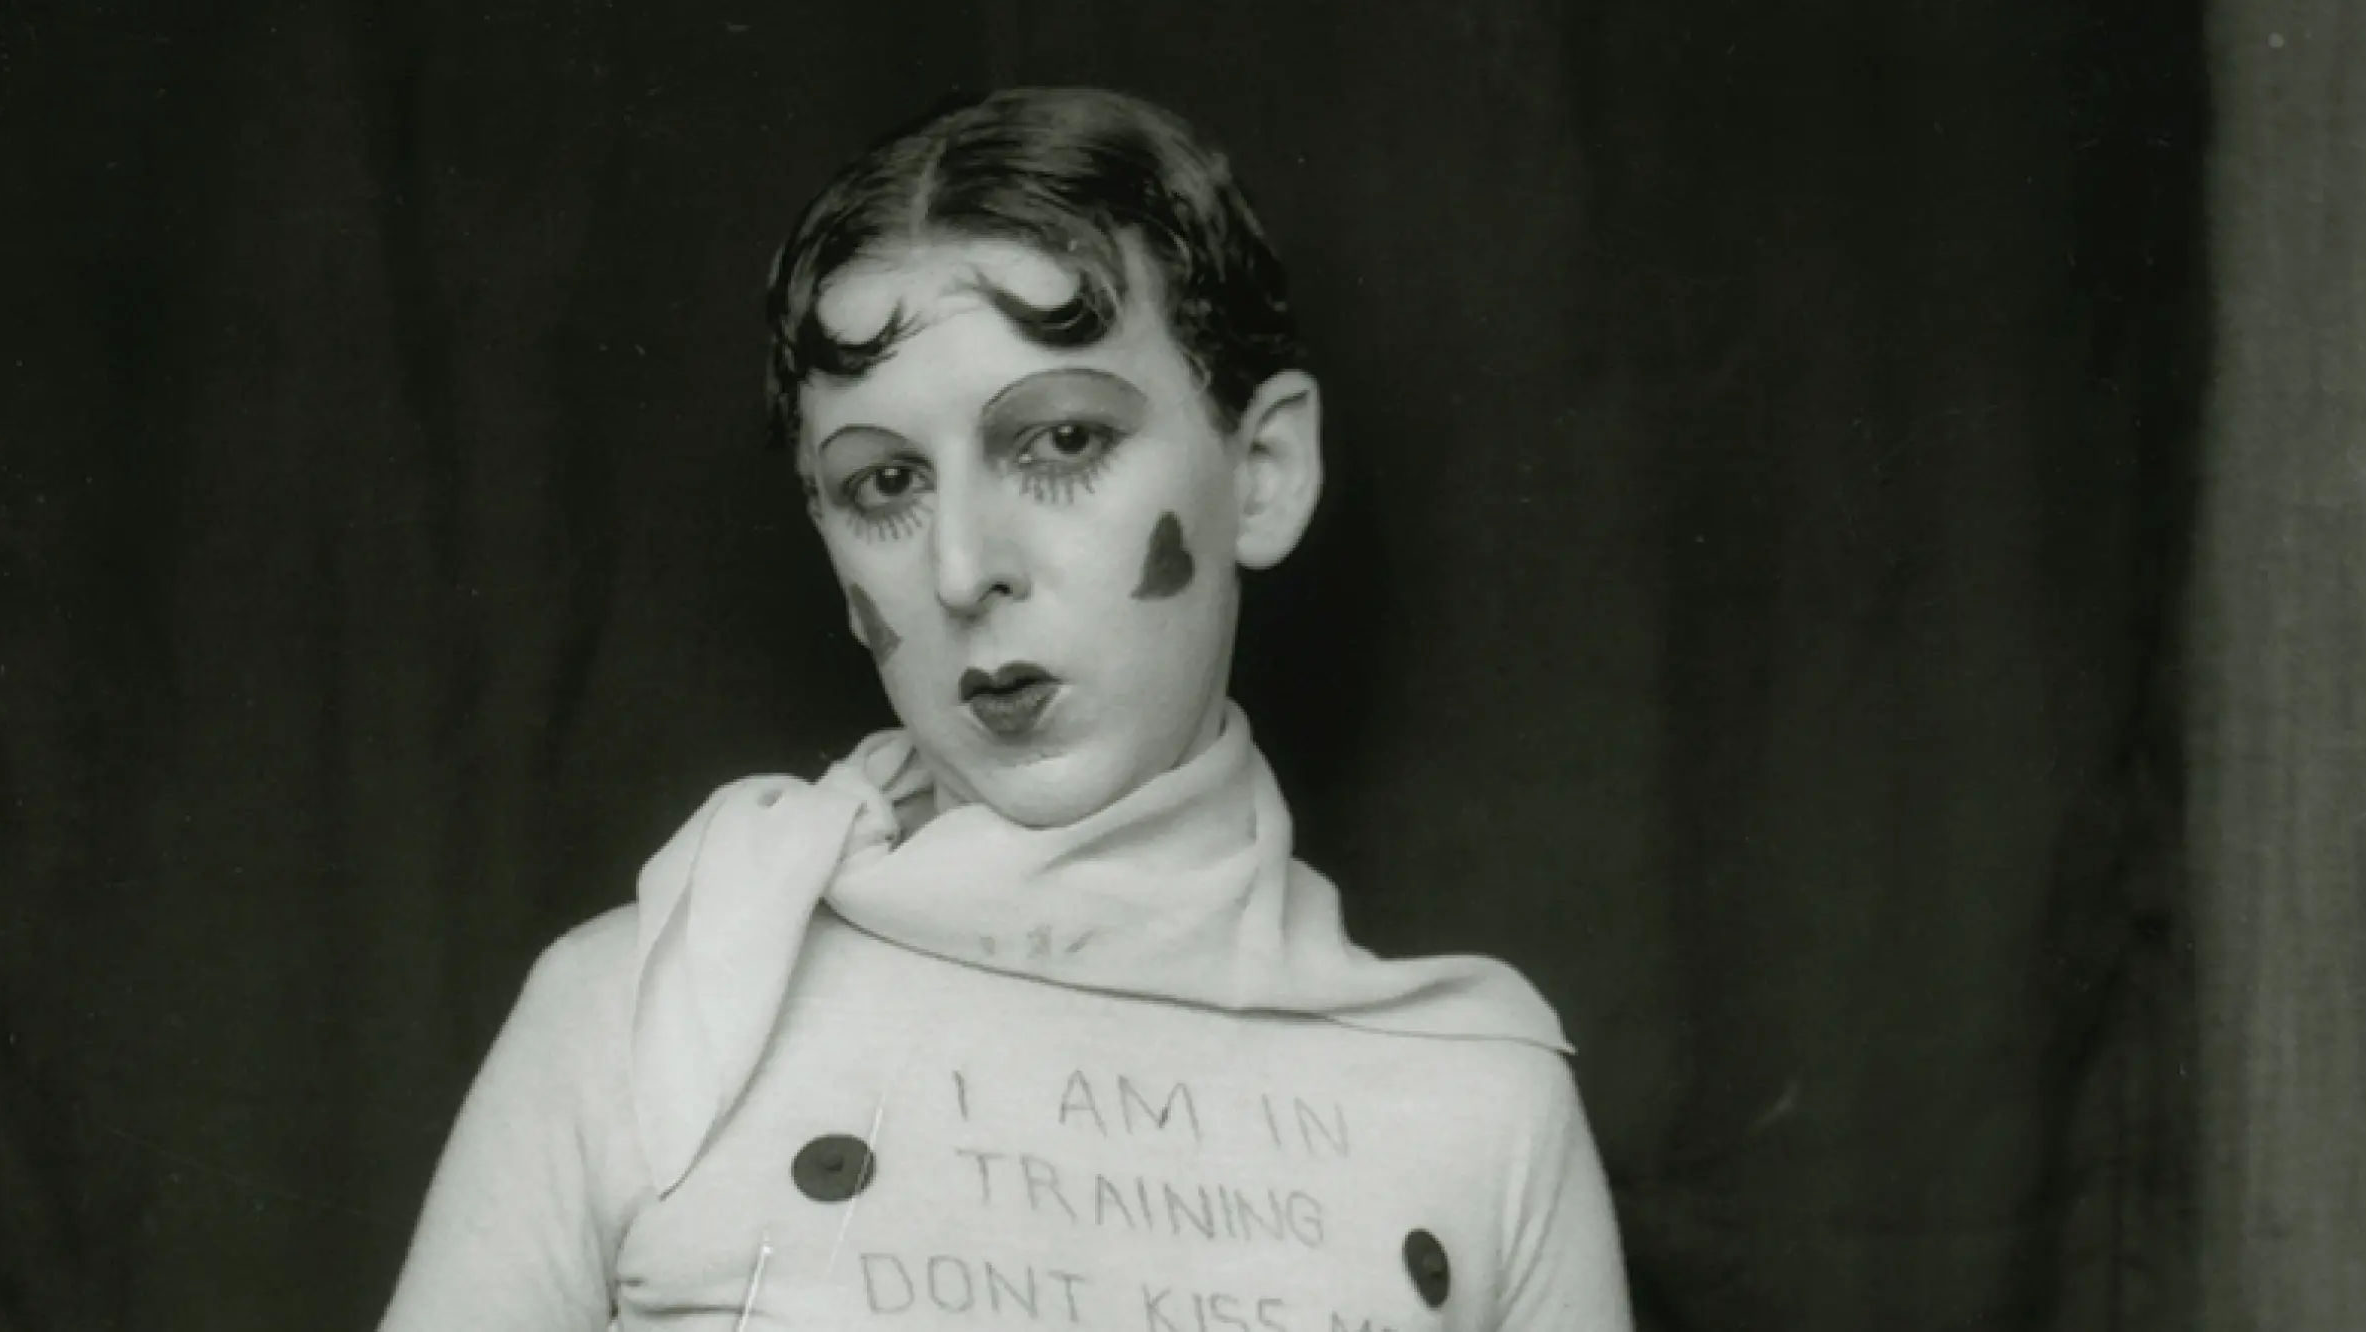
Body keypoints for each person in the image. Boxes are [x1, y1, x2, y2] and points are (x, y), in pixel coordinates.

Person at [379, 87, 1632, 1331]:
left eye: (1063, 441)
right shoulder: (644, 1014)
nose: (965, 567)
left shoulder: (1481, 1101)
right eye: (883, 482)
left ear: (1262, 472)